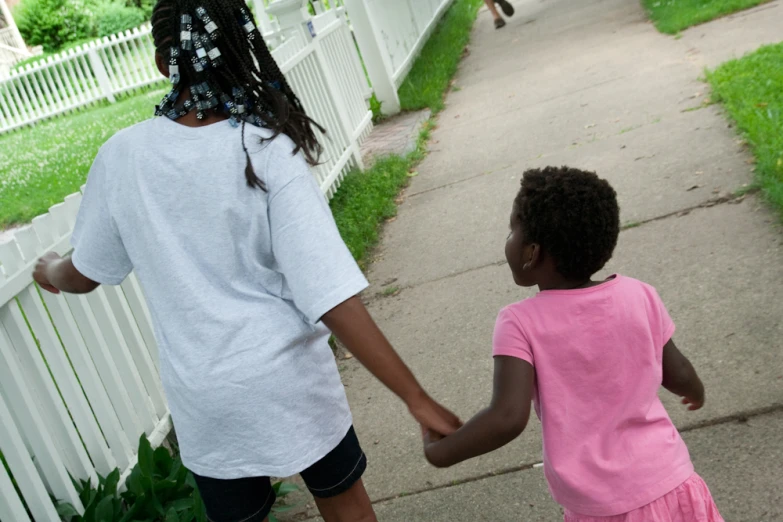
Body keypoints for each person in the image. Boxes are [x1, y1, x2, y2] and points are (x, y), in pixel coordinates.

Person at [32, 1, 461, 521]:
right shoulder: (265, 147)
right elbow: (329, 292)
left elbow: (83, 274)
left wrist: (50, 268)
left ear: (161, 61)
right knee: (347, 508)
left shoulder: (123, 157)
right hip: (290, 384)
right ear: (242, 48)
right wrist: (413, 396)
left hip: (208, 401)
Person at [422, 167, 725, 521]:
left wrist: (439, 453)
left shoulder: (519, 322)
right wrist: (696, 391)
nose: (508, 240)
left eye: (511, 230)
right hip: (672, 482)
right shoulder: (638, 295)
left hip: (603, 509)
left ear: (531, 252)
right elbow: (678, 371)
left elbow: (507, 417)